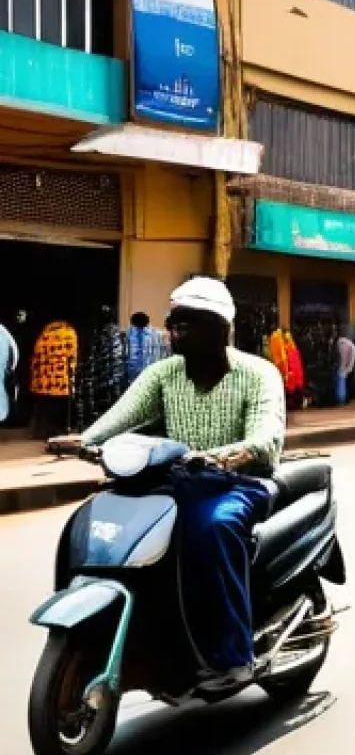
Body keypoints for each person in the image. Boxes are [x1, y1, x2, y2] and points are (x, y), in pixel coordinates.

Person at [49, 277, 286, 691]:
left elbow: (265, 437)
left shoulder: (258, 374)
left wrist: (226, 454)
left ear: (219, 328)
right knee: (104, 520)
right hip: (176, 480)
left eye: (188, 324)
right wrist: (84, 441)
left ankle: (233, 656)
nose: (175, 333)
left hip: (237, 483)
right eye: (174, 323)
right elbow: (119, 418)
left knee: (213, 528)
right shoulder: (163, 374)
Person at [335, 329, 355, 405]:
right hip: (346, 366)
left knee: (340, 382)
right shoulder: (351, 345)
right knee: (344, 382)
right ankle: (343, 399)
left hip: (340, 365)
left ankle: (340, 399)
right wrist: (350, 367)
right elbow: (353, 356)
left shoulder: (338, 343)